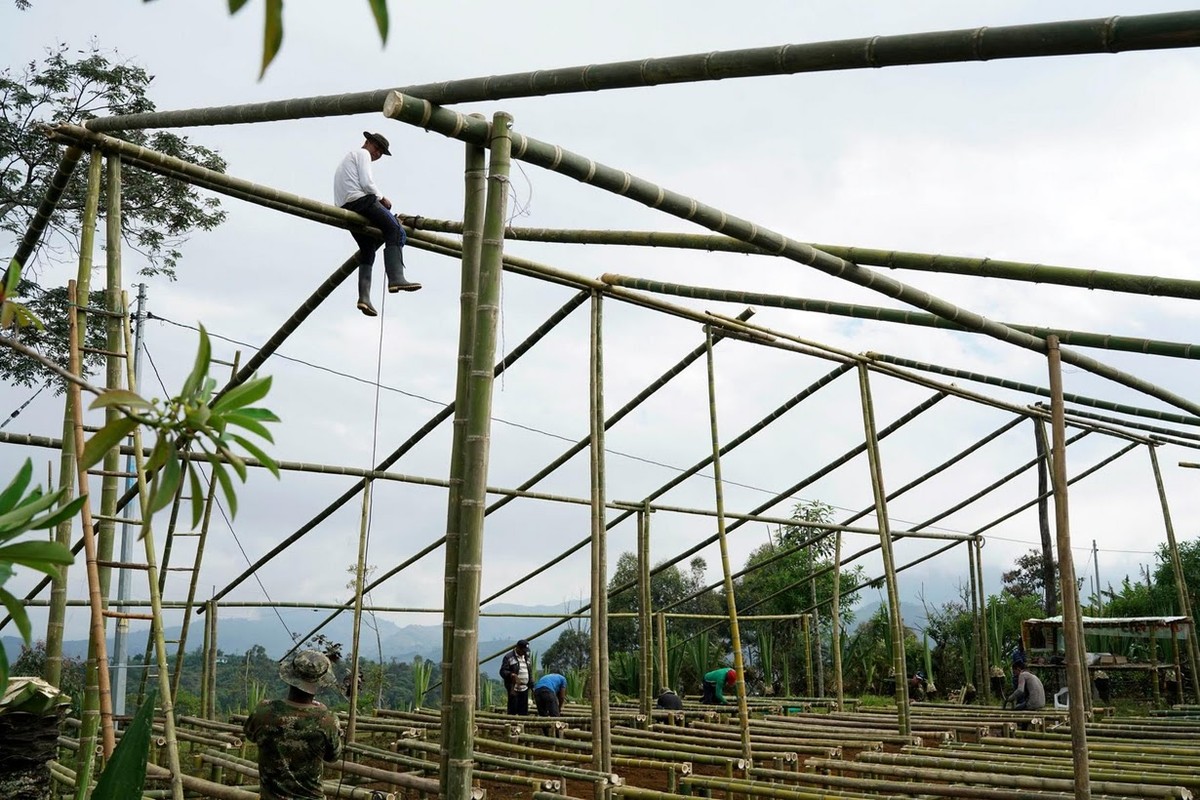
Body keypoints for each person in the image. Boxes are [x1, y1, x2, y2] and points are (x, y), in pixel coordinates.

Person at [332, 131, 420, 317]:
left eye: (381, 151)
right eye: (377, 147)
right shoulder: (362, 154)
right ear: (367, 143)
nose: (377, 153)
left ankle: (364, 298)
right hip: (361, 201)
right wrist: (382, 198)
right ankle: (396, 278)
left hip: (345, 207)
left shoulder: (349, 158)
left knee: (368, 248)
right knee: (395, 230)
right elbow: (366, 183)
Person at [243, 650, 343, 800]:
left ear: (290, 676)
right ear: (320, 682)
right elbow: (332, 756)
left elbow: (250, 735)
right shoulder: (327, 720)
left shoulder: (263, 711)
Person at [499, 639, 532, 716]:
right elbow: (503, 671)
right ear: (517, 648)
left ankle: (522, 726)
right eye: (523, 650)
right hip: (513, 688)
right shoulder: (509, 657)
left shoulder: (527, 657)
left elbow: (530, 672)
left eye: (525, 651)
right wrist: (512, 675)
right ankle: (512, 726)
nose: (524, 652)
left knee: (523, 711)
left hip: (524, 688)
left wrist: (531, 684)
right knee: (512, 710)